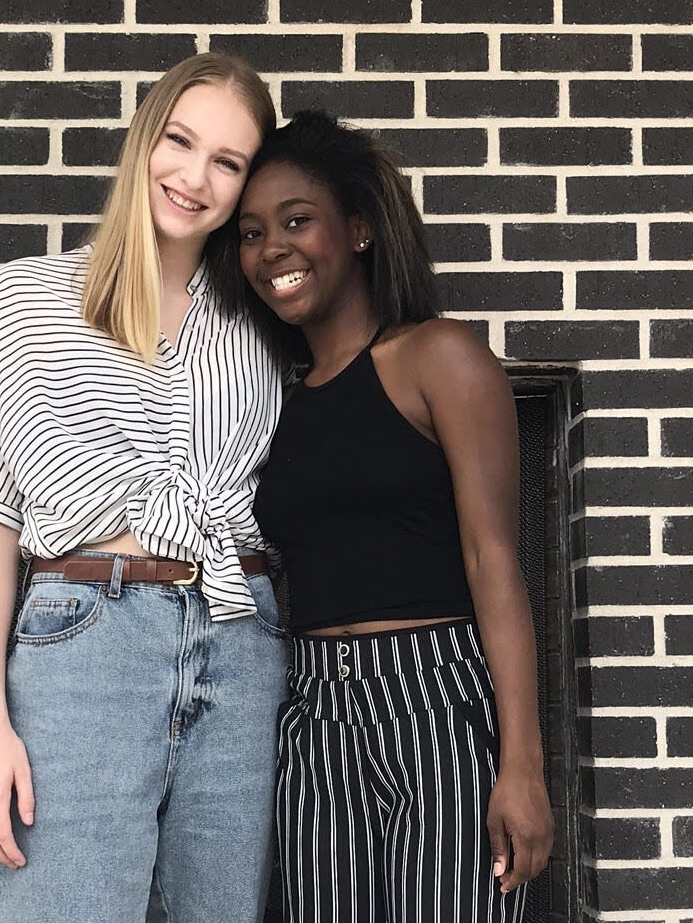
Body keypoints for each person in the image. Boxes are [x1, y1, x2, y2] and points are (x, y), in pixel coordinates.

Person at [0, 53, 288, 923]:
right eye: (181, 141)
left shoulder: (262, 322)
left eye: (228, 163)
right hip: (85, 640)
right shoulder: (24, 299)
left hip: (240, 636)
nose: (195, 177)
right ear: (143, 139)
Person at [220, 110, 555, 923]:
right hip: (312, 713)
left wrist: (523, 765)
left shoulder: (438, 357)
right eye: (253, 231)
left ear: (360, 229)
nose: (272, 249)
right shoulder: (277, 401)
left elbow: (493, 559)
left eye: (298, 221)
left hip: (434, 697)